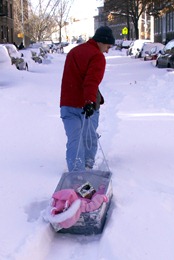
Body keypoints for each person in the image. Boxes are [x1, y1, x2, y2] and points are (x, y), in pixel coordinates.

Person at [60, 26, 115, 172]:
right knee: (88, 138)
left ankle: (76, 173)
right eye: (108, 46)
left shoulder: (74, 51)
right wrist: (89, 102)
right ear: (102, 42)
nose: (107, 50)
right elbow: (91, 82)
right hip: (86, 106)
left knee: (74, 140)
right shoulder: (97, 56)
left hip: (67, 104)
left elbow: (71, 78)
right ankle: (88, 166)